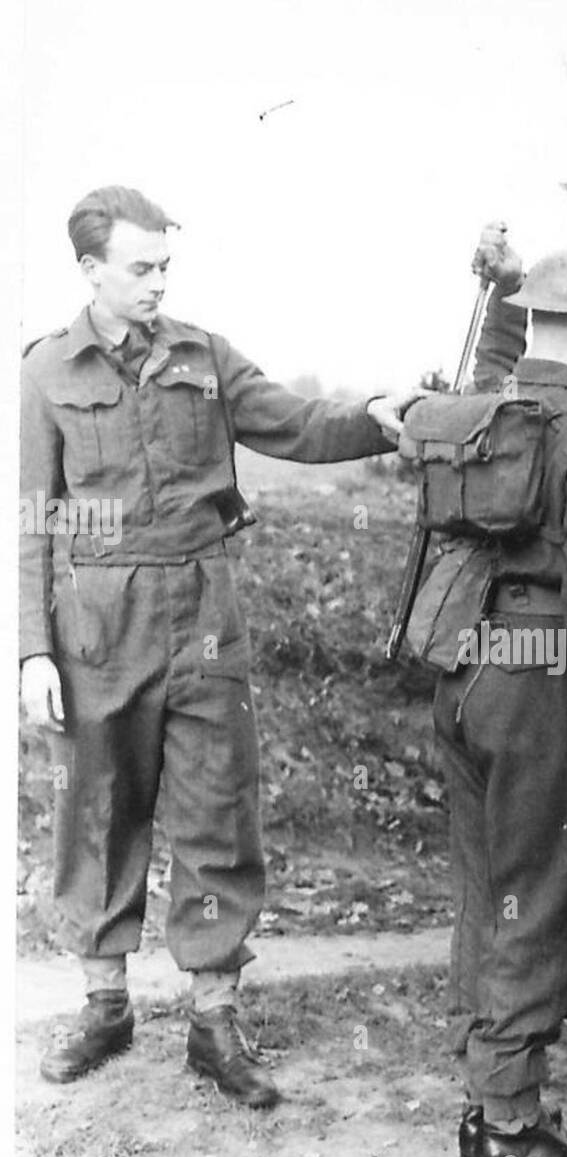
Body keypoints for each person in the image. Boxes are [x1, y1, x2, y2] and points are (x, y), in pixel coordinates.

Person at [21, 185, 420, 1107]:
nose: (161, 281)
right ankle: (105, 1003)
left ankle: (213, 1020)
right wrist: (31, 652)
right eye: (142, 267)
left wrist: (377, 415)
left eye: (167, 265)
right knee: (100, 808)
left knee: (215, 810)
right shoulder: (44, 372)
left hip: (203, 609)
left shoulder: (204, 355)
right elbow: (32, 523)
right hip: (98, 621)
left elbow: (296, 422)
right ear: (90, 270)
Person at [411, 225, 567, 1157]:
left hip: (463, 673)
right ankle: (508, 1126)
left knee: (487, 891)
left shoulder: (479, 411)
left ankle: (490, 1095)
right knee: (540, 902)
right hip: (543, 681)